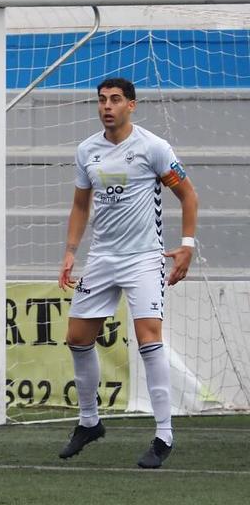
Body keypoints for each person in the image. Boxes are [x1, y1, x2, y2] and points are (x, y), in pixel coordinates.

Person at [57, 77, 199, 469]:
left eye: (115, 100)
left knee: (148, 336)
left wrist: (187, 245)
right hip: (102, 258)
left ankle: (163, 435)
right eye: (102, 100)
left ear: (131, 106)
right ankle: (89, 422)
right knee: (77, 337)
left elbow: (188, 195)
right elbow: (81, 206)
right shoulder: (88, 151)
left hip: (143, 258)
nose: (107, 106)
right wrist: (70, 253)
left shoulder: (152, 148)